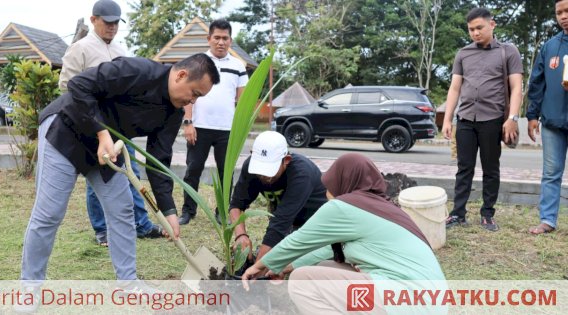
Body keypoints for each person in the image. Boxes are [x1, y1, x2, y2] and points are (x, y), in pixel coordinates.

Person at [20, 54, 219, 283]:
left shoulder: (173, 113)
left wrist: (169, 212)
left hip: (108, 149)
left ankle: (128, 284)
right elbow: (79, 85)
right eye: (194, 93)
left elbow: (158, 160)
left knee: (123, 210)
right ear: (181, 75)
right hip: (66, 131)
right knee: (50, 213)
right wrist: (102, 133)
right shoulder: (138, 70)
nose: (193, 102)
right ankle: (29, 288)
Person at [241, 153, 445, 314]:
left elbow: (299, 240)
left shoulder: (345, 207)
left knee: (303, 281)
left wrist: (259, 266)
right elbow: (326, 252)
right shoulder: (379, 207)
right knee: (323, 267)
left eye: (333, 178)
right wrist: (287, 265)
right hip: (429, 302)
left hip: (406, 300)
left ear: (345, 179)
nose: (327, 187)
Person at [59, 0, 163, 247]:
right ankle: (101, 230)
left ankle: (142, 224)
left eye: (116, 23)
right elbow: (66, 86)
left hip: (117, 125)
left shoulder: (119, 50)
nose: (113, 27)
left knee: (132, 173)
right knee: (98, 176)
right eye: (108, 22)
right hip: (90, 122)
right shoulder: (80, 49)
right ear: (94, 20)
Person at [441, 7, 523, 232]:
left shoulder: (508, 51)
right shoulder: (463, 53)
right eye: (471, 29)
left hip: (493, 119)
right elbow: (454, 88)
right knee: (463, 168)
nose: (475, 33)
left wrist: (513, 118)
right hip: (465, 119)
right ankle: (458, 214)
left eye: (479, 28)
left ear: (492, 25)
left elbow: (517, 88)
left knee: (490, 168)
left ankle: (487, 214)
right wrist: (447, 120)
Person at [178, 19, 248, 225]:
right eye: (216, 37)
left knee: (225, 173)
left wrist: (240, 130)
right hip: (199, 127)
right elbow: (188, 93)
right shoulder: (197, 62)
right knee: (193, 170)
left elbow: (243, 101)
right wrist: (188, 122)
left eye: (225, 38)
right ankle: (188, 211)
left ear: (230, 40)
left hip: (227, 130)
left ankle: (222, 212)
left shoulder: (238, 66)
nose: (220, 42)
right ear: (208, 39)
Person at [229, 131, 328, 262]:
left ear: (286, 160)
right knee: (271, 256)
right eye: (261, 170)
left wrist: (256, 269)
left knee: (302, 262)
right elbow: (236, 205)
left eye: (270, 170)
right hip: (289, 224)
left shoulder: (302, 174)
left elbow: (280, 224)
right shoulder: (250, 167)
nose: (264, 176)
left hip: (315, 226)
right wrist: (241, 235)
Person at [526, 0, 568, 234]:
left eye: (567, 11)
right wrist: (532, 115)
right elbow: (537, 82)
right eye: (559, 13)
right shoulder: (550, 46)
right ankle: (548, 220)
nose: (563, 16)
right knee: (551, 172)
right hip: (552, 121)